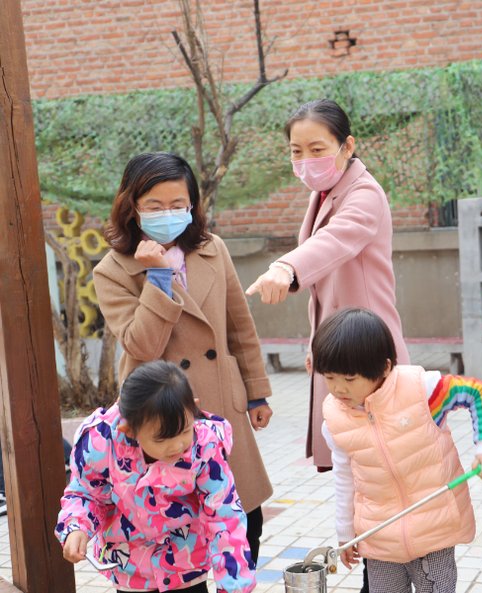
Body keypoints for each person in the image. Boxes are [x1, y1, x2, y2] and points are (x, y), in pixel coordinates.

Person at [93, 152, 273, 562]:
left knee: (243, 523)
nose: (167, 214)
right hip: (161, 417)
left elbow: (240, 327)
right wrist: (157, 276)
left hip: (222, 407)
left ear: (192, 206)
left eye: (178, 205)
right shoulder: (113, 270)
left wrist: (257, 394)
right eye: (154, 206)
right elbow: (142, 345)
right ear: (132, 207)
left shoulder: (213, 249)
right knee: (176, 536)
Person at [246, 99, 409, 472]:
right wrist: (315, 342)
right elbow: (327, 286)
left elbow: (333, 242)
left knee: (379, 466)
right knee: (351, 472)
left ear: (347, 146)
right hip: (340, 348)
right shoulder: (324, 193)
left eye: (317, 150)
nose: (305, 160)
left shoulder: (364, 194)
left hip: (367, 350)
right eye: (296, 151)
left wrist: (286, 267)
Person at [312, 308, 482, 593]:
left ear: (384, 368)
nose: (338, 389)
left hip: (433, 532)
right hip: (380, 538)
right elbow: (344, 477)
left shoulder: (420, 390)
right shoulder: (335, 419)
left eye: (349, 379)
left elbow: (477, 392)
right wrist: (345, 534)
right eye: (330, 377)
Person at [56, 360, 254, 593]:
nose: (177, 445)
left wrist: (234, 588)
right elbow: (86, 493)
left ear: (194, 409)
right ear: (129, 430)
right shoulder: (100, 444)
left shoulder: (204, 446)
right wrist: (76, 526)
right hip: (130, 563)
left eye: (184, 431)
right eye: (162, 440)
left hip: (185, 560)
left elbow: (225, 516)